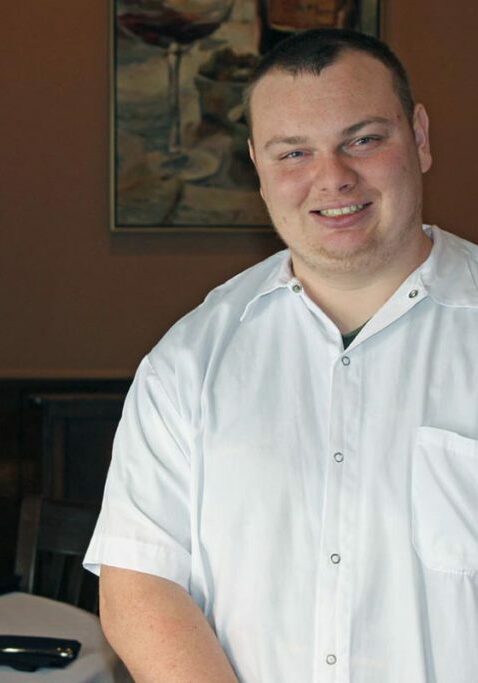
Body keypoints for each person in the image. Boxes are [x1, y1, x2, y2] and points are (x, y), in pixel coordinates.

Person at [84, 28, 478, 683]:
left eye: (363, 139)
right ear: (257, 168)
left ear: (420, 137)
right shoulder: (189, 360)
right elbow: (140, 581)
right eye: (294, 152)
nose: (333, 177)